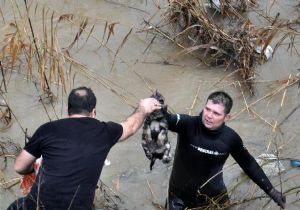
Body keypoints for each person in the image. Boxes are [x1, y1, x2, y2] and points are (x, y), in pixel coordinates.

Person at [7, 86, 161, 210]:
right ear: (93, 112)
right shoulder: (104, 131)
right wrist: (143, 108)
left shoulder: (47, 129)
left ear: (69, 111)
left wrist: (32, 170)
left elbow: (20, 166)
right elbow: (131, 126)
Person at [166, 91, 286, 209]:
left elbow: (250, 165)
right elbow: (165, 119)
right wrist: (153, 108)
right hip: (179, 198)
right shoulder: (187, 124)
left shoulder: (230, 139)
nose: (209, 115)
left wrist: (272, 192)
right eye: (207, 109)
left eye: (216, 113)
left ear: (227, 117)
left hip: (215, 198)